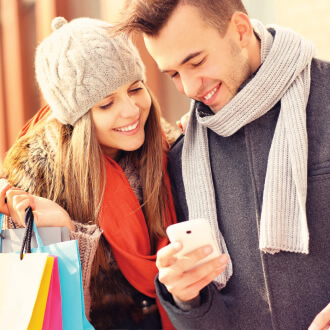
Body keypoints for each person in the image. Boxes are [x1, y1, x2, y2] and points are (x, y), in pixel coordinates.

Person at [115, 1, 330, 329]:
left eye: (196, 61)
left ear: (240, 31)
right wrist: (187, 299)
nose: (189, 88)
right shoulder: (183, 160)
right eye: (173, 74)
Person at [0, 16, 178, 330]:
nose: (131, 110)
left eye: (135, 89)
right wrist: (65, 232)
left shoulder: (169, 152)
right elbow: (38, 308)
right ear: (77, 118)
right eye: (107, 103)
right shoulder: (35, 178)